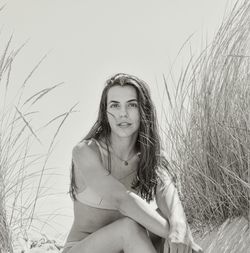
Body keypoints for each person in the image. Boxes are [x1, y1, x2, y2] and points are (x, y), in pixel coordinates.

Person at [62, 73, 203, 253]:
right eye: (115, 105)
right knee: (129, 228)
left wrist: (179, 228)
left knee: (163, 220)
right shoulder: (86, 152)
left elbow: (172, 202)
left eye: (132, 105)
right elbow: (122, 199)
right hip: (82, 249)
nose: (123, 114)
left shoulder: (153, 158)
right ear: (105, 113)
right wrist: (175, 235)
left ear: (143, 110)